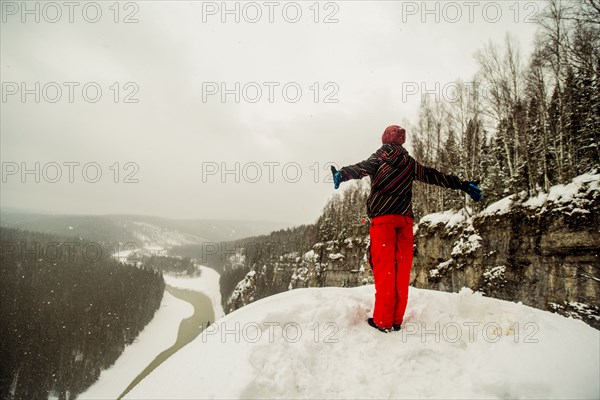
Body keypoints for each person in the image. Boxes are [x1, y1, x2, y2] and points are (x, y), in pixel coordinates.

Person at [331, 125, 482, 333]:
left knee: (385, 270)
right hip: (404, 221)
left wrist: (341, 174)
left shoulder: (380, 157)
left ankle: (383, 321)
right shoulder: (409, 163)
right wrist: (463, 185)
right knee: (401, 271)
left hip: (383, 220)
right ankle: (396, 320)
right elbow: (434, 176)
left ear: (384, 138)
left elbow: (360, 168)